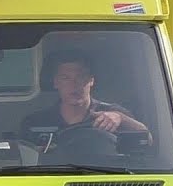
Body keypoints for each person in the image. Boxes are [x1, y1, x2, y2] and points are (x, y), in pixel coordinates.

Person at [19, 51, 152, 152]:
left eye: (81, 77)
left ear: (91, 80)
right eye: (66, 78)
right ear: (55, 83)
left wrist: (122, 118)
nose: (74, 84)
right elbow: (25, 160)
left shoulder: (113, 115)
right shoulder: (35, 122)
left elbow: (147, 141)